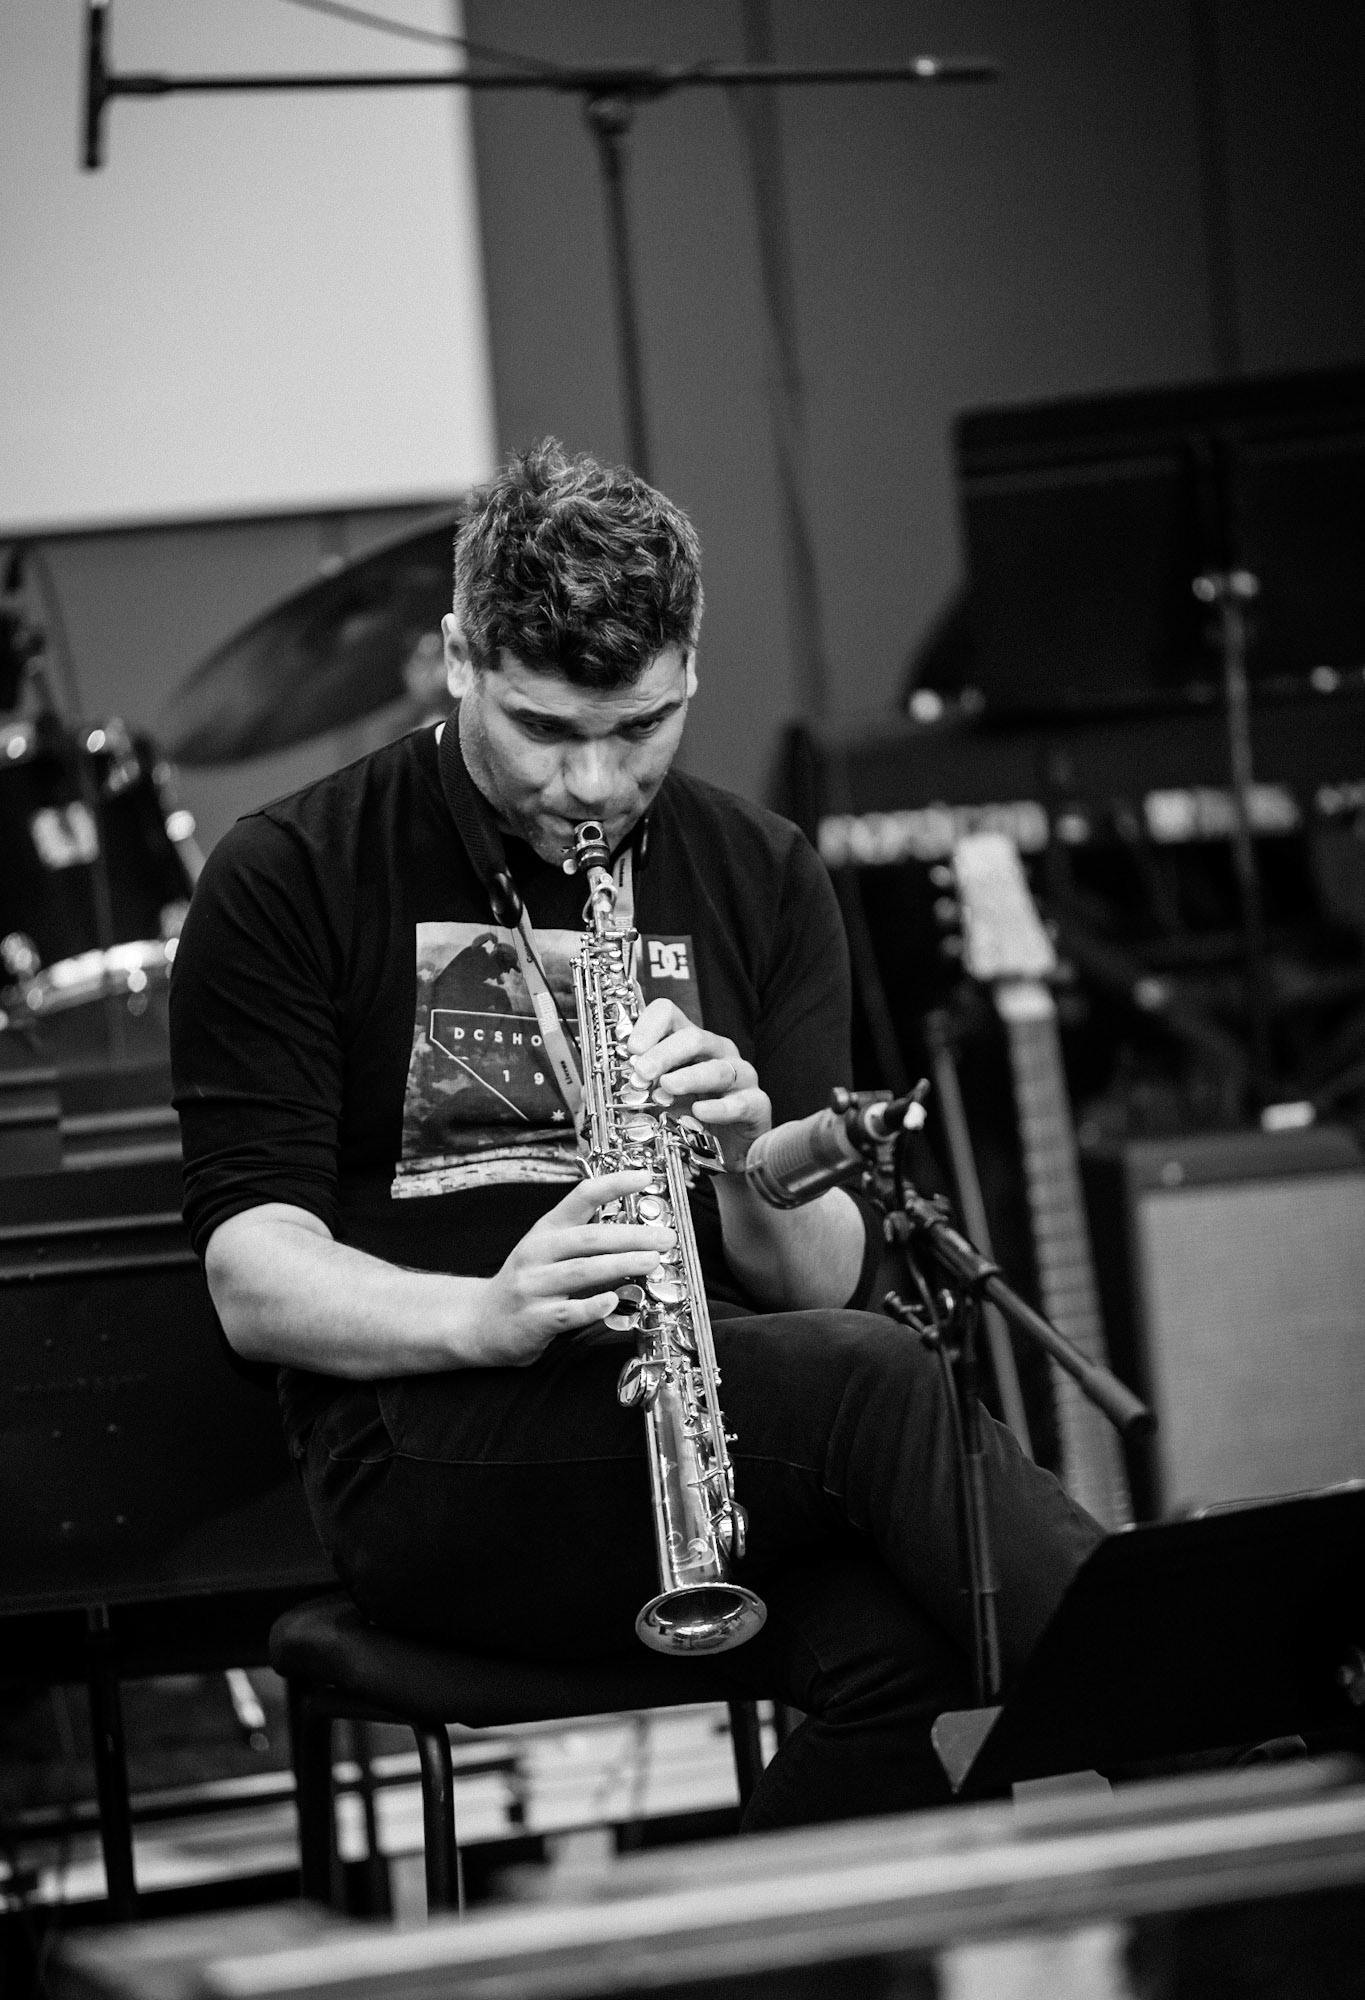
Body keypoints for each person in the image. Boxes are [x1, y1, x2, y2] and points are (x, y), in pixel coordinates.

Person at [170, 440, 1101, 1830]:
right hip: (431, 1455)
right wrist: (487, 1315)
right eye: (547, 730)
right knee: (876, 1378)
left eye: (640, 726)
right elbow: (253, 1275)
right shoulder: (293, 870)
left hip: (718, 1441)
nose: (596, 782)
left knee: (923, 1655)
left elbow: (811, 1280)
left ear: (689, 674)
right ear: (456, 659)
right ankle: (1217, 1721)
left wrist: (745, 1156)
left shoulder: (759, 868)